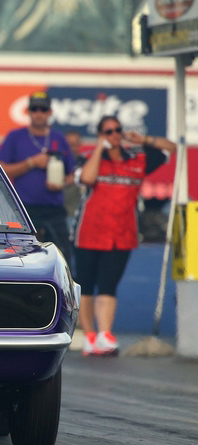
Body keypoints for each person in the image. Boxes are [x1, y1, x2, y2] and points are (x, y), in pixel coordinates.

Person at [73, 115, 176, 356]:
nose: (114, 135)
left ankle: (105, 334)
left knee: (108, 285)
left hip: (121, 234)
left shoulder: (137, 158)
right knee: (86, 285)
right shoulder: (89, 158)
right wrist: (100, 149)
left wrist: (144, 139)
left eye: (117, 130)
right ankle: (89, 336)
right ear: (100, 135)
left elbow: (172, 148)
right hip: (88, 232)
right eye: (108, 132)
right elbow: (87, 178)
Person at [0, 91, 76, 268]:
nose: (39, 113)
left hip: (54, 210)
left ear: (50, 112)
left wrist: (62, 183)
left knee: (62, 259)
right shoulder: (15, 137)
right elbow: (2, 170)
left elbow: (72, 173)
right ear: (28, 112)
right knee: (21, 259)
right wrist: (31, 163)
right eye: (34, 109)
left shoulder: (59, 138)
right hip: (24, 210)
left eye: (43, 109)